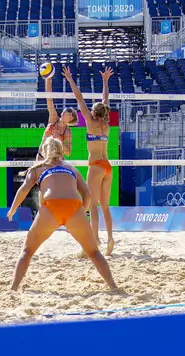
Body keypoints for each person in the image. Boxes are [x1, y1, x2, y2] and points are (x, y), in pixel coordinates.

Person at [5, 137, 118, 292]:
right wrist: (80, 214)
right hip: (74, 207)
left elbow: (24, 189)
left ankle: (14, 287)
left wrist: (13, 209)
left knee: (27, 251)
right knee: (94, 252)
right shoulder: (71, 168)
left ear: (44, 152)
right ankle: (113, 286)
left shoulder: (38, 168)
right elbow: (87, 195)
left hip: (51, 207)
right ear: (61, 151)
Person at [63, 64, 116, 255]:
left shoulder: (91, 122)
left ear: (94, 113)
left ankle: (94, 241)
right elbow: (105, 100)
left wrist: (69, 79)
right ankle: (110, 238)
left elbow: (79, 98)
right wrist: (104, 81)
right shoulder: (106, 123)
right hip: (108, 166)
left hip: (95, 166)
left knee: (92, 205)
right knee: (105, 207)